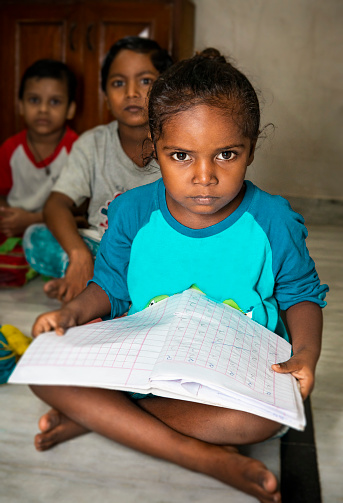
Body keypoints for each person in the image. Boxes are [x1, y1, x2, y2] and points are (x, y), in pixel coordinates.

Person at [29, 49, 328, 503]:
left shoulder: (273, 220)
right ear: (155, 146)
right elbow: (109, 288)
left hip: (229, 376)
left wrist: (305, 354)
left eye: (226, 154)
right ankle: (202, 454)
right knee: (41, 367)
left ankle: (105, 417)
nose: (204, 177)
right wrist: (71, 312)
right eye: (181, 156)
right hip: (143, 363)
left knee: (264, 420)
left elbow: (301, 293)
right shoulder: (131, 211)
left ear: (251, 147)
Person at [23, 36, 173, 303]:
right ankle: (100, 280)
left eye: (145, 81)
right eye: (118, 83)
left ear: (166, 89)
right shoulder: (93, 143)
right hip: (100, 249)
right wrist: (79, 255)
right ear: (105, 96)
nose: (131, 92)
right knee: (36, 239)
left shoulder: (179, 143)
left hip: (156, 251)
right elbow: (55, 205)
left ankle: (98, 288)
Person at [0, 59, 78, 287]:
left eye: (54, 102)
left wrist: (31, 220)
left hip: (56, 228)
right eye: (34, 100)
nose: (43, 109)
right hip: (12, 228)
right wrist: (7, 216)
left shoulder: (77, 148)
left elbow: (80, 209)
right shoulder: (10, 149)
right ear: (21, 105)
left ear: (70, 108)